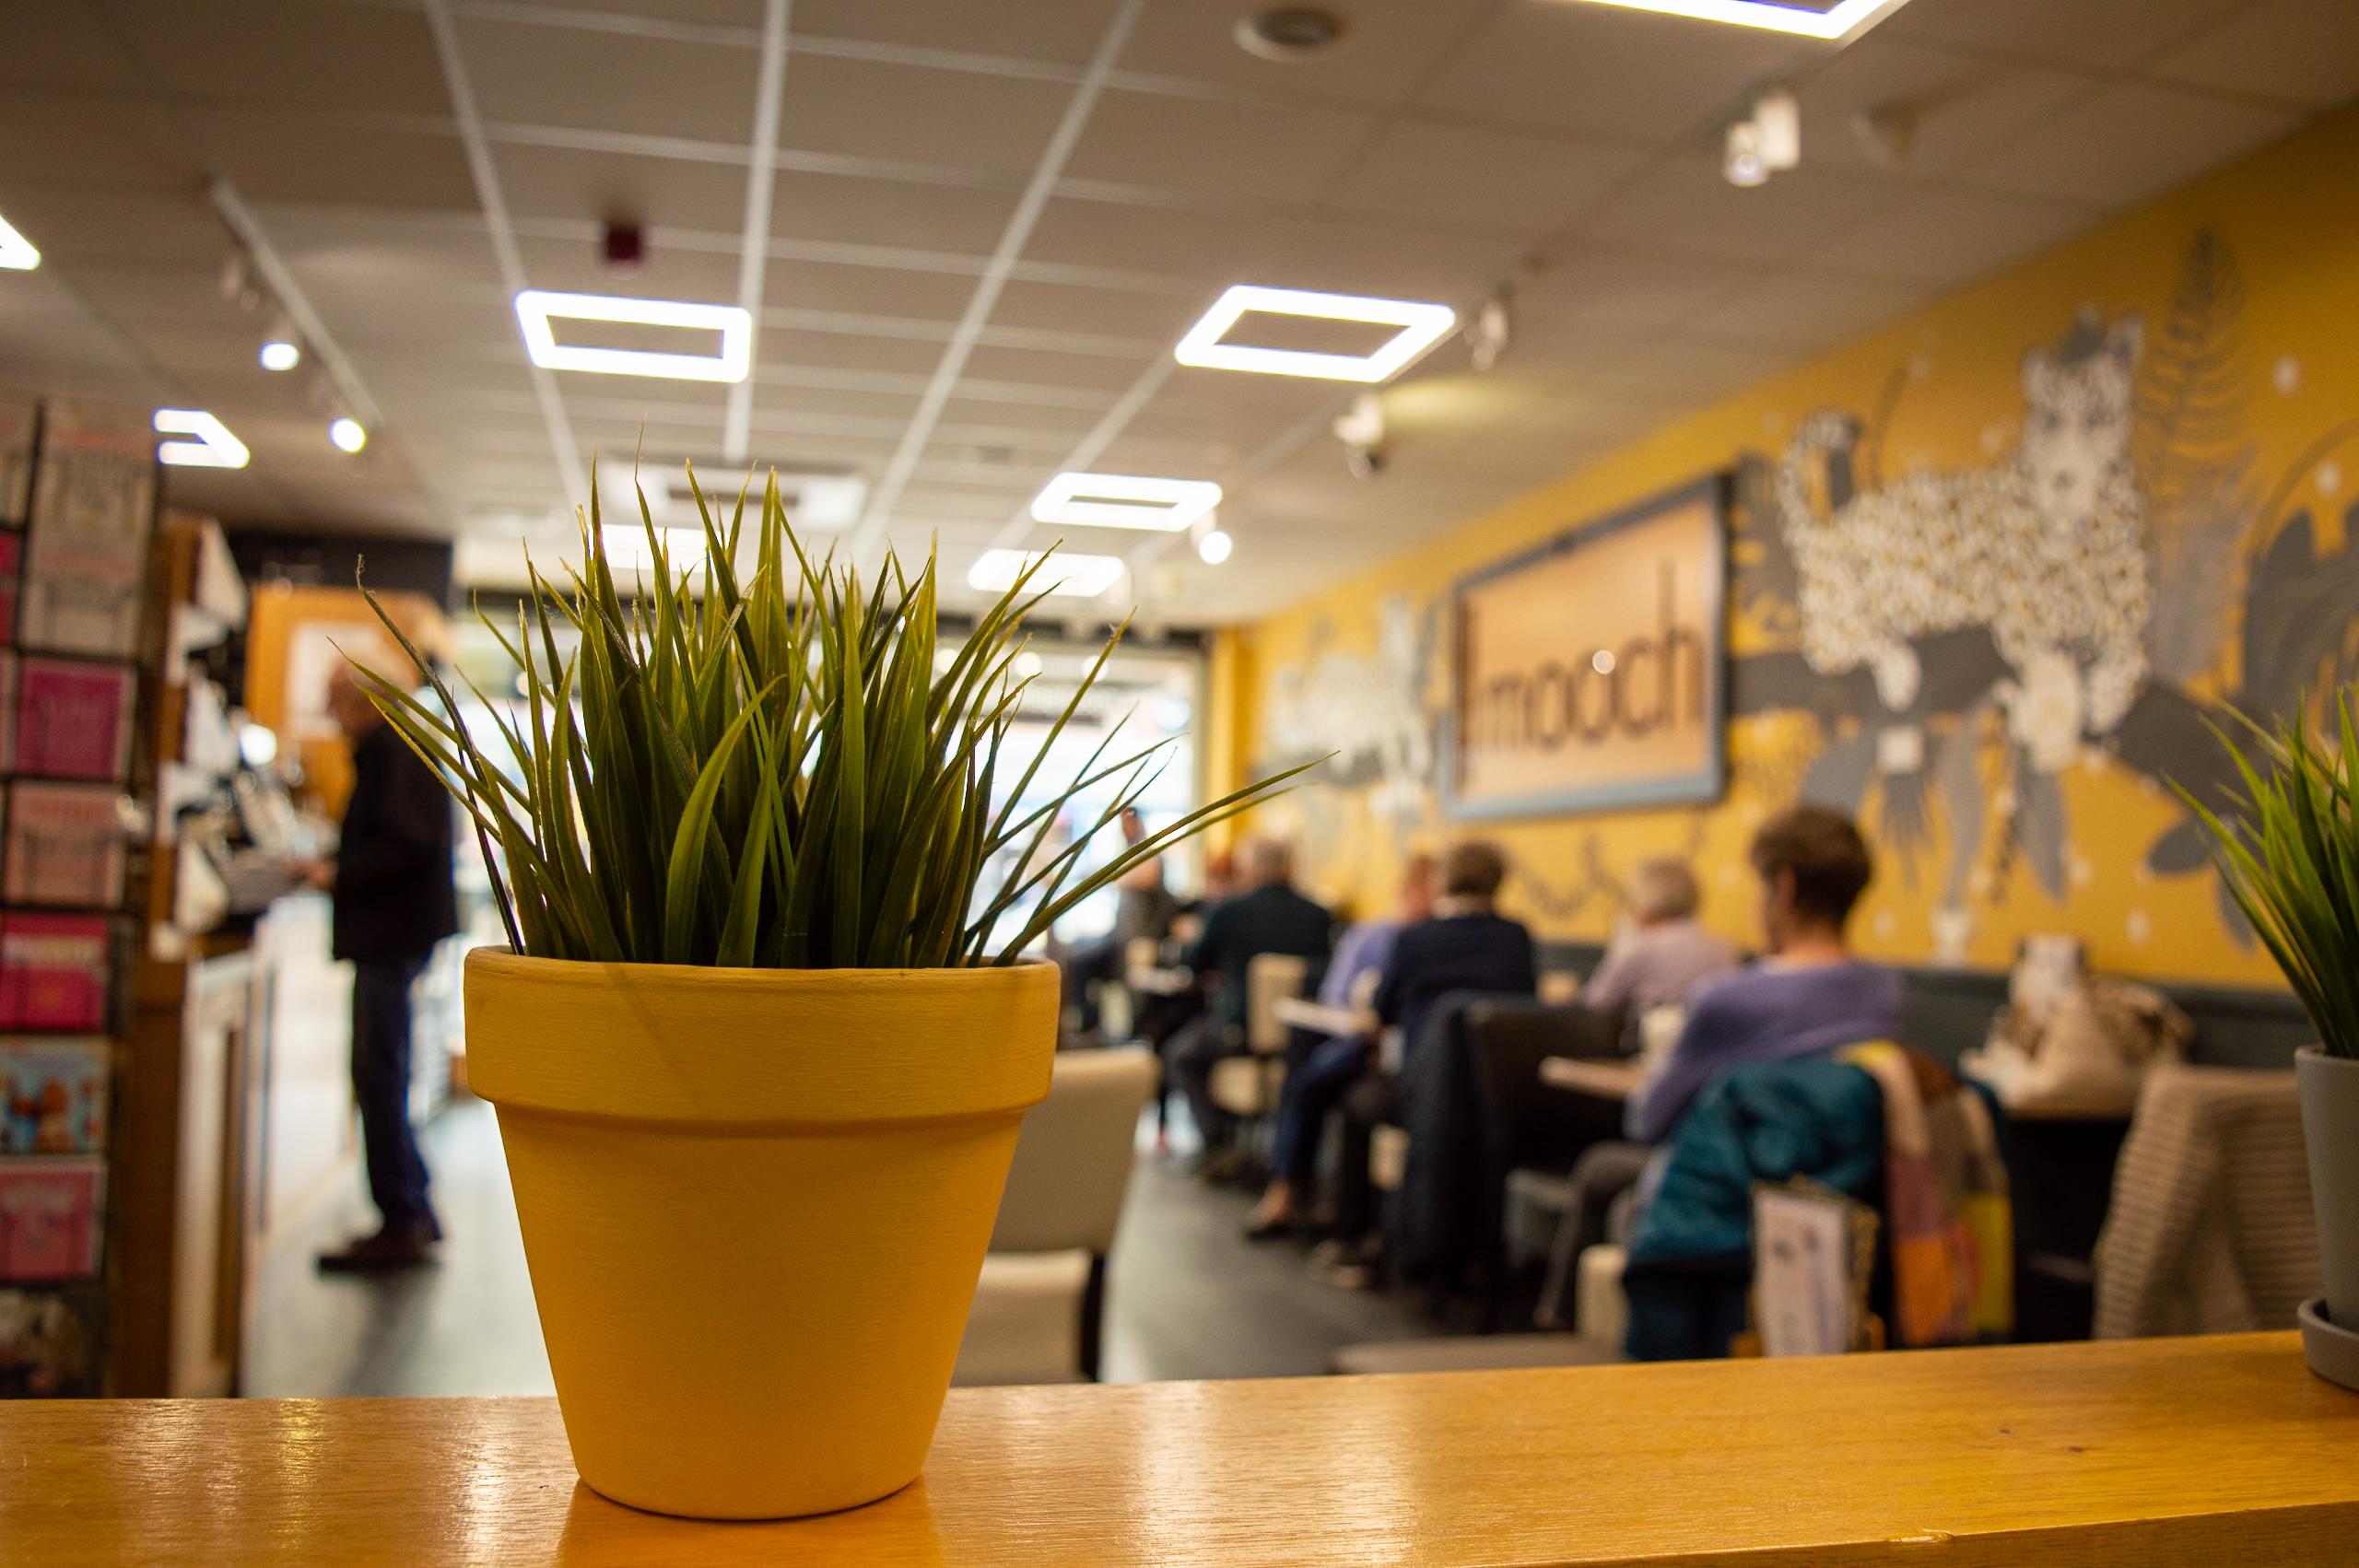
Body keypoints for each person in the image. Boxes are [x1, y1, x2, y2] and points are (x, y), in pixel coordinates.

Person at [1317, 840, 1537, 1287]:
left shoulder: (1416, 939)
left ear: (1444, 881)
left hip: (1423, 1094)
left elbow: (1382, 1010)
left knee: (1355, 1106)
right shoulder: (1517, 938)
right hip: (1497, 1100)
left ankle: (1353, 1238)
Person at [1625, 806, 1901, 1144]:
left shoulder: (1728, 1000)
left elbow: (1649, 1120)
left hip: (1739, 1183)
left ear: (1785, 887)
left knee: (1602, 1171)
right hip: (1842, 1181)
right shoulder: (1887, 991)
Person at [309, 663, 459, 1271]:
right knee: (383, 1066)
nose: (329, 717)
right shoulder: (401, 744)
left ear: (360, 703)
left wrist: (337, 873)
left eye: (334, 701)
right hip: (400, 934)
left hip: (390, 934)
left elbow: (406, 843)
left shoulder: (390, 750)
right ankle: (413, 1207)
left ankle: (401, 1216)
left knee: (379, 1069)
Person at [1243, 851, 1437, 1239]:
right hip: (1361, 1046)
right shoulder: (1375, 936)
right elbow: (1339, 996)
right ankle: (1291, 1190)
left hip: (1411, 1062)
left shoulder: (1434, 942)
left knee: (1316, 1086)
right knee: (1308, 1083)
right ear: (1409, 890)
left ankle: (1324, 1209)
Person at [1168, 838, 1331, 1170]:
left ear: (1250, 869)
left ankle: (1217, 1143)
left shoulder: (1228, 912)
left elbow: (1195, 964)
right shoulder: (1318, 916)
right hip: (1302, 1039)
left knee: (1180, 1054)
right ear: (1290, 868)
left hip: (1238, 1031)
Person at [1580, 858, 1738, 1050]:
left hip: (1649, 1057)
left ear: (1643, 897)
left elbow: (1596, 1003)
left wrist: (1621, 942)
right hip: (1713, 1054)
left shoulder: (1639, 947)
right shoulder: (1722, 948)